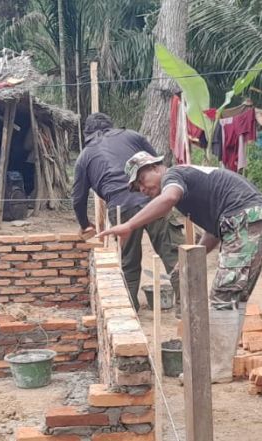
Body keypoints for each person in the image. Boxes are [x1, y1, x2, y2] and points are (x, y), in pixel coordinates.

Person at [98, 152, 262, 384]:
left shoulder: (174, 176)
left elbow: (168, 199)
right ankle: (220, 365)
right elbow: (213, 232)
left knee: (224, 294)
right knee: (234, 294)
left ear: (156, 167)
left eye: (142, 180)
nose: (142, 188)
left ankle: (216, 369)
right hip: (247, 220)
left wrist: (130, 225)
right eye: (136, 187)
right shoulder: (189, 185)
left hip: (246, 219)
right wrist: (194, 258)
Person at [73, 113, 184, 311]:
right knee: (173, 254)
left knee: (129, 263)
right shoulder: (132, 136)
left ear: (87, 133)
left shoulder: (85, 157)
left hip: (121, 208)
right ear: (112, 126)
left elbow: (78, 199)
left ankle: (129, 310)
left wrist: (85, 225)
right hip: (154, 200)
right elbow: (158, 167)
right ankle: (187, 307)